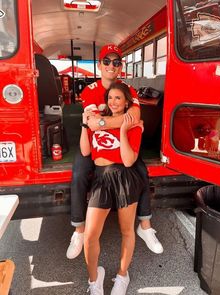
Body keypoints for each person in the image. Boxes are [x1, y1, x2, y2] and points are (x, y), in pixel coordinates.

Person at [66, 44, 163, 260]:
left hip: (120, 145)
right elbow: (91, 124)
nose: (112, 66)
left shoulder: (129, 89)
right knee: (79, 174)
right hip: (93, 144)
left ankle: (145, 226)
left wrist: (102, 121)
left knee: (141, 170)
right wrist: (115, 122)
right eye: (107, 61)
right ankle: (79, 230)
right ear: (100, 65)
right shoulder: (89, 90)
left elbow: (135, 116)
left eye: (116, 62)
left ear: (121, 67)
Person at [82, 82, 144, 294]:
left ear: (127, 102)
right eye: (110, 98)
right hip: (100, 179)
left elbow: (128, 161)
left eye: (118, 98)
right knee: (90, 236)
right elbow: (85, 152)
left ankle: (122, 275)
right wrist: (85, 125)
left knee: (126, 230)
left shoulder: (134, 126)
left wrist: (125, 130)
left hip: (124, 177)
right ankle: (94, 279)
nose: (113, 102)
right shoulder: (100, 124)